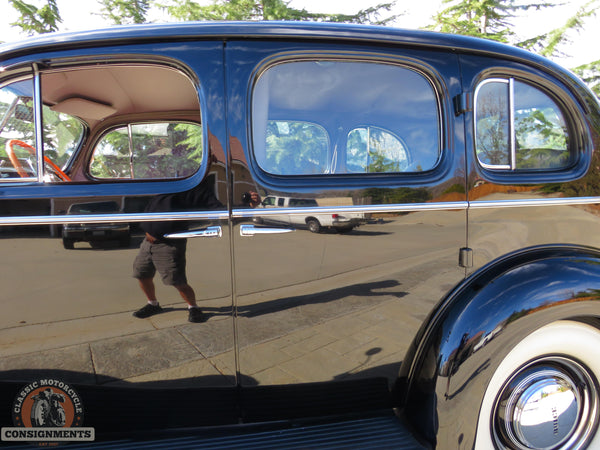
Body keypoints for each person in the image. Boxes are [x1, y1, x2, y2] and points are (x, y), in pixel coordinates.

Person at [132, 179, 260, 323]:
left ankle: (193, 307)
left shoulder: (199, 191)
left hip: (168, 244)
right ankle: (153, 304)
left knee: (177, 281)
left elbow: (220, 213)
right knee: (141, 274)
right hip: (147, 242)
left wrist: (247, 207)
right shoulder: (170, 181)